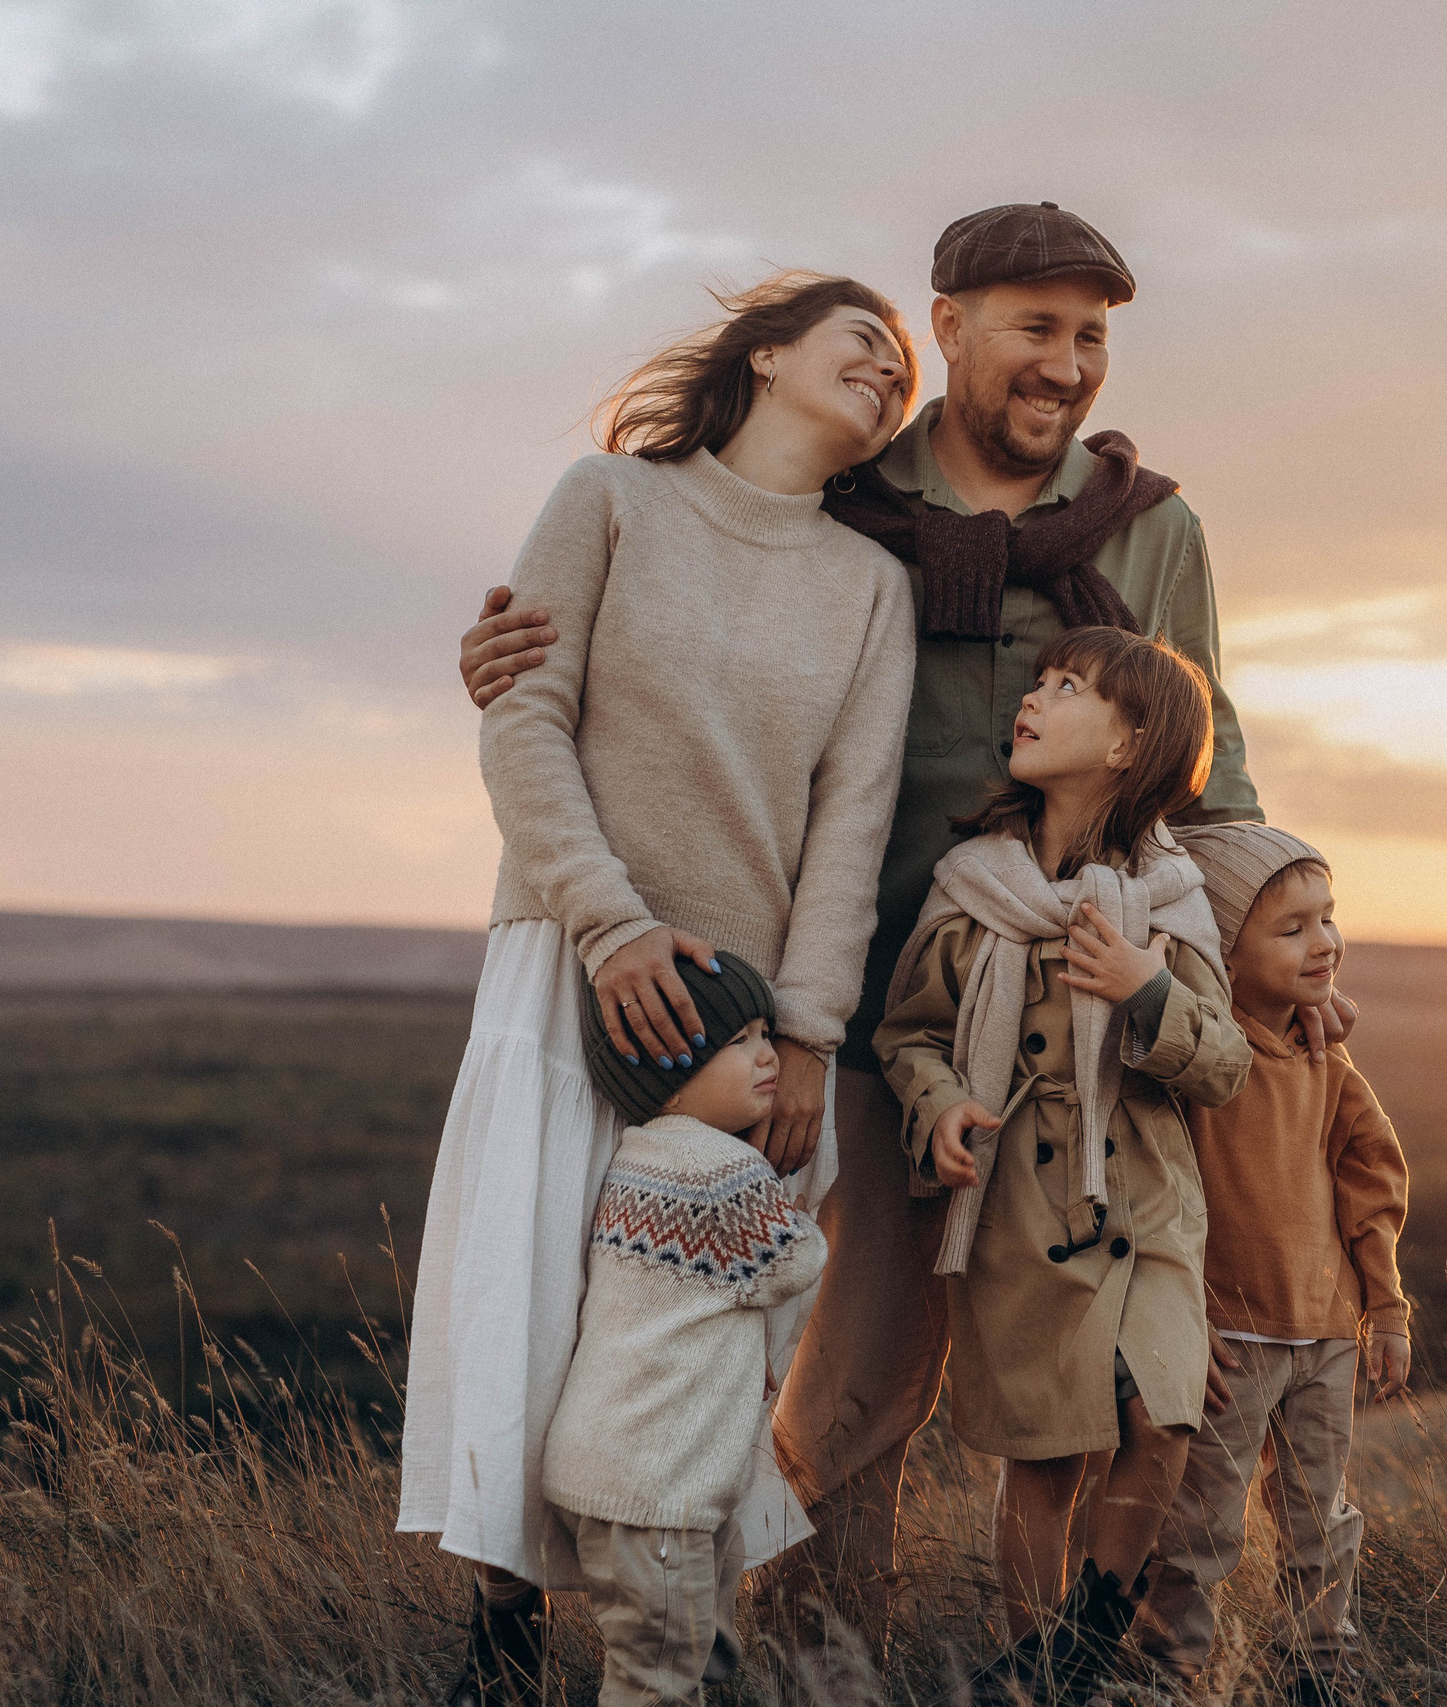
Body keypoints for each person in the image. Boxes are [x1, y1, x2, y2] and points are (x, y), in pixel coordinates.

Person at [456, 202, 1354, 1640]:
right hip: (865, 1002)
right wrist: (505, 651)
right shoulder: (846, 481)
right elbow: (705, 579)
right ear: (950, 328)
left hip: (1091, 1020)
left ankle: (1118, 1656)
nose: (1064, 363)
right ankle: (817, 1645)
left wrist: (1291, 941)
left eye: (1091, 335)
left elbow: (1211, 776)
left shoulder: (1156, 531)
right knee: (853, 1369)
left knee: (1142, 1378)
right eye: (1034, 327)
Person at [401, 270, 919, 1706]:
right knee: (538, 1290)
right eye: (863, 343)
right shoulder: (611, 499)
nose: (889, 373)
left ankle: (688, 1631)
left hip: (740, 1018)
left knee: (698, 1324)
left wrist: (808, 1030)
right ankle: (500, 1635)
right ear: (763, 357)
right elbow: (525, 716)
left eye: (904, 371)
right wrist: (613, 926)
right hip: (572, 954)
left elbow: (851, 825)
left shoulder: (872, 588)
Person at [873, 626, 1251, 1703]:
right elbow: (907, 1035)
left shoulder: (1171, 902)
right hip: (1019, 1210)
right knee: (1044, 1455)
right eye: (1036, 683)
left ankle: (1078, 1658)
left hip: (1150, 1204)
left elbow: (1224, 1065)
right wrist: (939, 1105)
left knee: (1162, 1422)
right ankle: (1036, 1673)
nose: (1033, 699)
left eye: (1067, 687)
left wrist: (1147, 987)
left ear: (1132, 741)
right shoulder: (972, 889)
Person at [1129, 824, 1410, 1706]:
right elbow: (1155, 1189)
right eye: (1292, 927)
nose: (1323, 942)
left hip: (1324, 1337)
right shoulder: (1200, 1065)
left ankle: (1320, 1668)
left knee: (1320, 1519)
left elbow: (1375, 1179)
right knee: (1199, 1526)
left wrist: (1387, 1308)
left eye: (1327, 918)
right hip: (1230, 1340)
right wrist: (1177, 1317)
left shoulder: (1329, 1061)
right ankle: (1167, 1675)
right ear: (1220, 947)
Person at [540, 953, 826, 1707]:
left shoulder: (634, 1158)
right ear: (669, 1069)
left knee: (676, 1653)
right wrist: (793, 1205)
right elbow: (792, 1262)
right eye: (739, 1041)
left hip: (614, 1473)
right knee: (657, 1677)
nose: (768, 1053)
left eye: (766, 1032)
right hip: (658, 1492)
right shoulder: (724, 1171)